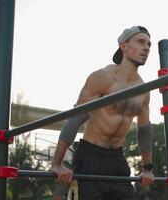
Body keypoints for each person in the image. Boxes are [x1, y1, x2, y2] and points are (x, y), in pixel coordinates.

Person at [50, 25, 154, 200]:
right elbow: (75, 119)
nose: (146, 48)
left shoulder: (143, 90)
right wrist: (56, 163)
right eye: (141, 42)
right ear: (124, 46)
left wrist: (147, 169)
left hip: (117, 158)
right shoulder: (102, 78)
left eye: (149, 44)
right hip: (91, 155)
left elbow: (145, 130)